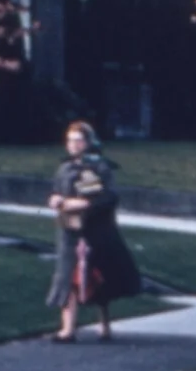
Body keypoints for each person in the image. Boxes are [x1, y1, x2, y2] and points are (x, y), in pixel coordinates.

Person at [45, 120, 142, 342]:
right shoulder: (65, 167)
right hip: (68, 230)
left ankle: (105, 325)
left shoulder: (99, 167)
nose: (73, 144)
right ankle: (67, 329)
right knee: (66, 276)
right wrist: (56, 199)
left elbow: (105, 197)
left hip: (96, 231)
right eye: (70, 140)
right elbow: (56, 190)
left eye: (78, 140)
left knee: (98, 277)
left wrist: (80, 204)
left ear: (88, 141)